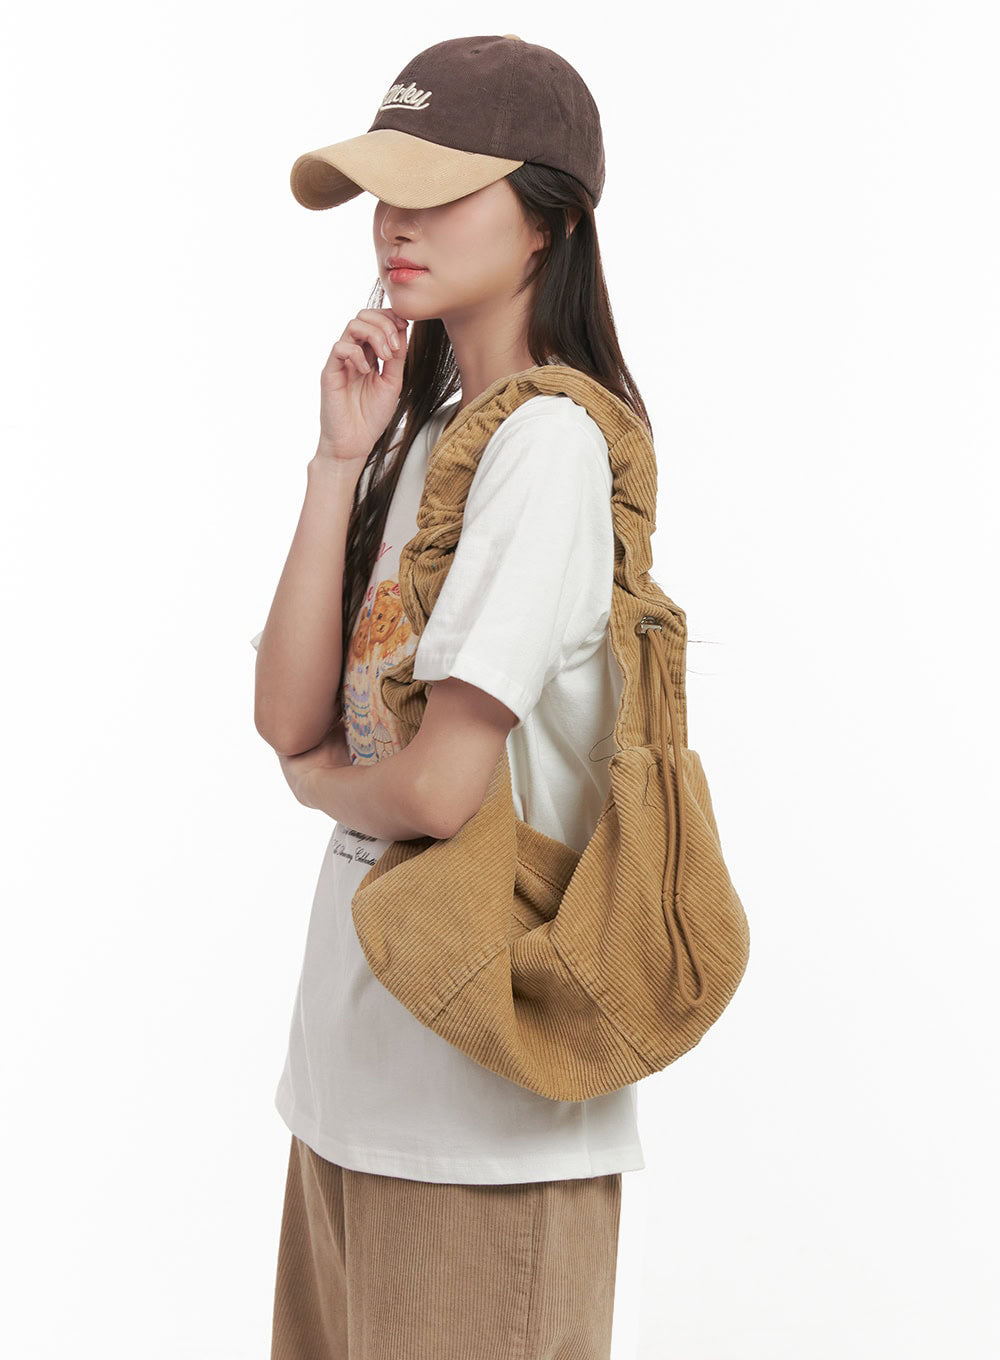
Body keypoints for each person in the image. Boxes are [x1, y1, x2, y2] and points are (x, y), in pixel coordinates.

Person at [251, 34, 656, 1360]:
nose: (396, 223)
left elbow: (433, 790)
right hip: (350, 1093)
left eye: (441, 190)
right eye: (386, 190)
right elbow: (284, 712)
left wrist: (320, 786)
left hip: (484, 1126)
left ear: (549, 223)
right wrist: (338, 462)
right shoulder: (427, 435)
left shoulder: (548, 446)